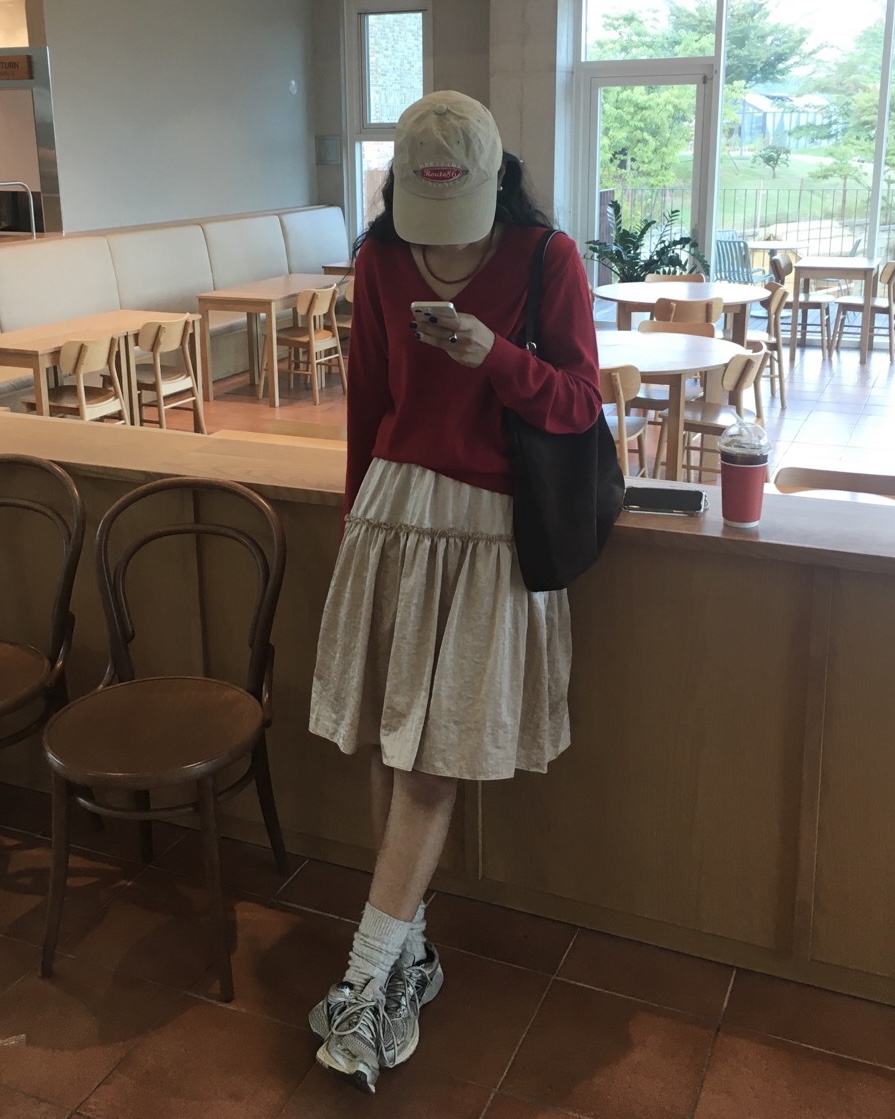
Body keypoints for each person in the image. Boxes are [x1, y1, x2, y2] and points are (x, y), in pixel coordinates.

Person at [307, 89, 601, 1094]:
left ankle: (362, 981)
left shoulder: (546, 258)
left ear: (493, 181)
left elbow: (580, 401)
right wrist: (353, 526)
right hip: (391, 521)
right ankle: (408, 957)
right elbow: (368, 402)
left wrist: (497, 357)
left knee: (432, 765)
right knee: (388, 742)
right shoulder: (381, 259)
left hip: (487, 531)